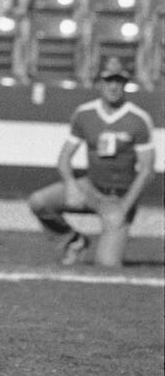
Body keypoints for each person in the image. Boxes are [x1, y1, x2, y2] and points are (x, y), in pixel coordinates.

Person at [27, 57, 156, 267]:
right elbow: (64, 158)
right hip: (91, 187)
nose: (113, 86)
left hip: (119, 196)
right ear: (100, 83)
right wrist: (71, 185)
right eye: (108, 80)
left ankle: (111, 236)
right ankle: (72, 240)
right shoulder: (85, 114)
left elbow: (147, 170)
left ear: (125, 84)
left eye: (119, 81)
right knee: (39, 201)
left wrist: (124, 206)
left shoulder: (138, 119)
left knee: (107, 265)